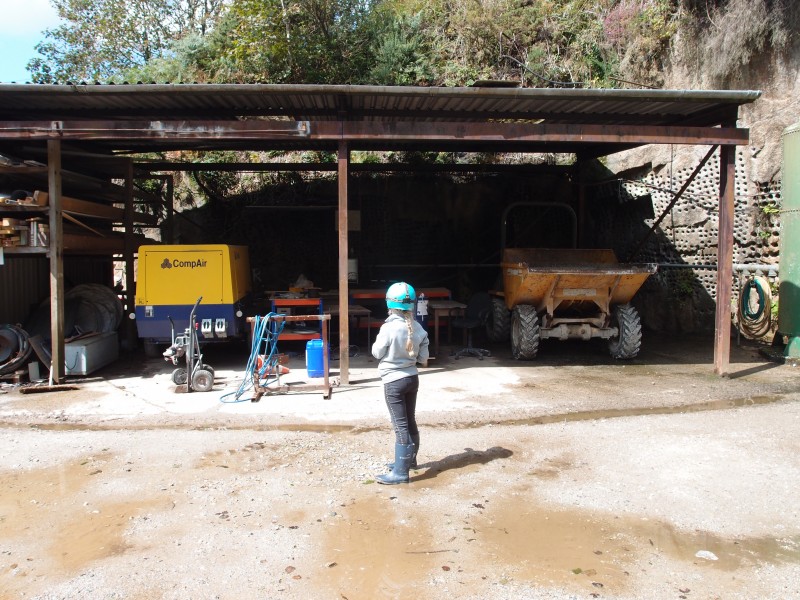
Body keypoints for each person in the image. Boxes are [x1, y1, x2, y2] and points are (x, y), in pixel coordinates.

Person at [371, 281, 430, 485]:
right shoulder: (418, 327)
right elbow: (423, 358)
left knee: (400, 426)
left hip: (394, 381)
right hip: (412, 379)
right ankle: (409, 461)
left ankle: (400, 473)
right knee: (410, 420)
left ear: (389, 304)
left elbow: (377, 353)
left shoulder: (388, 328)